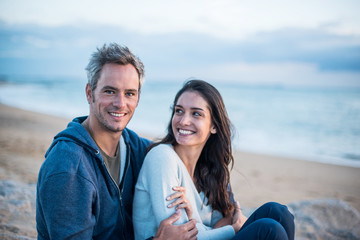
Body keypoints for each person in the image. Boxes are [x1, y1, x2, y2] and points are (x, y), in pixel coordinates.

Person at [36, 43, 198, 240]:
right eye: (110, 91)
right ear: (89, 93)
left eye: (129, 93)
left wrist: (191, 193)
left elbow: (184, 157)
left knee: (245, 226)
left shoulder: (135, 147)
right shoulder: (69, 166)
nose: (120, 103)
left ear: (138, 98)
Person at [133, 79, 295, 240]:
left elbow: (218, 224)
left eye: (196, 113)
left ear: (214, 126)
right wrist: (233, 229)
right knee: (269, 230)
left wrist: (203, 221)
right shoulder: (162, 157)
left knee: (278, 212)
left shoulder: (207, 169)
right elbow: (183, 235)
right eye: (179, 111)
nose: (183, 121)